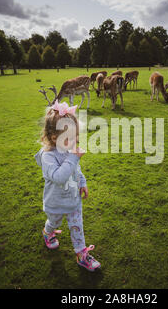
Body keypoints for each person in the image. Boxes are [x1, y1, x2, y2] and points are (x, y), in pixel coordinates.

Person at [35, 100, 101, 272]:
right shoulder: (48, 157)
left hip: (73, 200)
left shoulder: (68, 150)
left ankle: (81, 254)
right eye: (70, 138)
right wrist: (74, 157)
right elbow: (59, 177)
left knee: (77, 226)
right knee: (54, 222)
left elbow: (75, 170)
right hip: (55, 202)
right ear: (54, 137)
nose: (75, 141)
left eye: (76, 137)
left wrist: (83, 183)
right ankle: (47, 231)